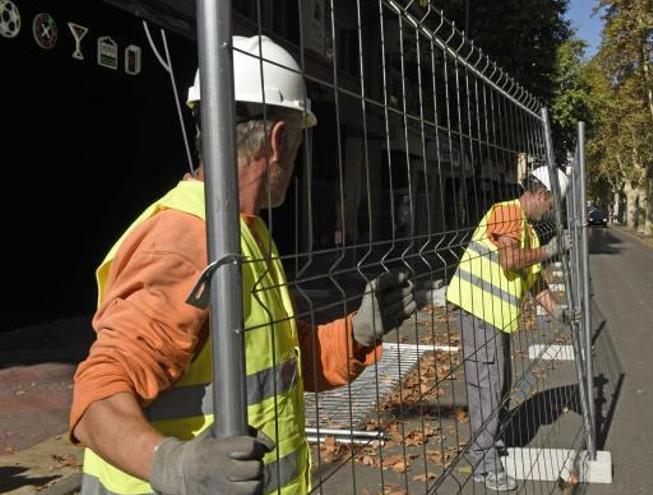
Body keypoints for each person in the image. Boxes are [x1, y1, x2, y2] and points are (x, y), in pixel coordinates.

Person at [69, 35, 416, 495]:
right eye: (297, 141)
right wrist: (173, 465)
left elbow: (283, 359)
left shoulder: (243, 232)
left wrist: (356, 333)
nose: (296, 159)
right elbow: (97, 393)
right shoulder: (185, 241)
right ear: (276, 140)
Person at [446, 165, 572, 492]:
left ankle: (489, 444)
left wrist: (558, 311)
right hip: (478, 310)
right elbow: (510, 261)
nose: (551, 211)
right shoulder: (506, 212)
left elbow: (533, 282)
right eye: (552, 204)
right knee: (486, 386)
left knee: (498, 384)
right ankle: (485, 465)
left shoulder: (527, 231)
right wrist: (550, 250)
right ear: (542, 194)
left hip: (492, 316)